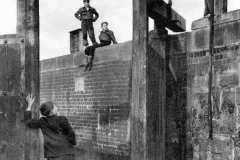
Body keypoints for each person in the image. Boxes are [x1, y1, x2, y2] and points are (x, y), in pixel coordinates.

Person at [24, 95, 76, 160]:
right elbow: (71, 133)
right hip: (66, 153)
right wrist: (72, 143)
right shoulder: (62, 119)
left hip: (52, 155)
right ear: (52, 112)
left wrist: (29, 105)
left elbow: (28, 121)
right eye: (55, 107)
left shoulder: (42, 121)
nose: (57, 107)